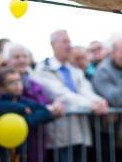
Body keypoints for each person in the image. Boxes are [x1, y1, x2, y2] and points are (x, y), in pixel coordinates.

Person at [33, 30, 108, 162]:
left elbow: (85, 89)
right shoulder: (44, 69)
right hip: (59, 134)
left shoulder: (73, 69)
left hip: (80, 133)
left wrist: (99, 101)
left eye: (69, 41)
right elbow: (61, 94)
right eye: (64, 41)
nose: (69, 45)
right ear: (53, 44)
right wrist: (91, 105)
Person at [0, 42, 63, 162]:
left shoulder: (34, 83)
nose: (22, 60)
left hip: (36, 143)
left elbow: (43, 106)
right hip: (8, 147)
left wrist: (54, 107)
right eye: (17, 57)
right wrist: (21, 109)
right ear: (7, 60)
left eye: (25, 56)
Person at [0, 67, 55, 162]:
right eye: (11, 82)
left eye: (19, 81)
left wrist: (24, 121)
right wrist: (21, 109)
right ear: (1, 88)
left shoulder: (26, 102)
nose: (18, 85)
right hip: (0, 152)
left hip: (23, 151)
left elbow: (46, 112)